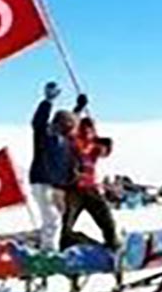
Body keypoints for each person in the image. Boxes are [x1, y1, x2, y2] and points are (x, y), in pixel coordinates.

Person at [28, 83, 85, 250]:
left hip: (57, 185)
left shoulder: (66, 140)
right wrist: (48, 101)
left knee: (58, 219)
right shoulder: (46, 135)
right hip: (42, 182)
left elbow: (73, 118)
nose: (72, 128)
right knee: (52, 218)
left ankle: (49, 245)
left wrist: (79, 108)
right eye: (69, 125)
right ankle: (48, 252)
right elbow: (38, 122)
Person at [61, 114, 119, 250]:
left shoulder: (94, 146)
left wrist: (107, 143)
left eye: (91, 131)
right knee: (65, 225)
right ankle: (71, 242)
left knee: (107, 220)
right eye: (85, 130)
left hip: (90, 189)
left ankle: (113, 245)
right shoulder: (74, 141)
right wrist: (77, 110)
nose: (88, 133)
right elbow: (69, 132)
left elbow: (106, 152)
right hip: (73, 189)